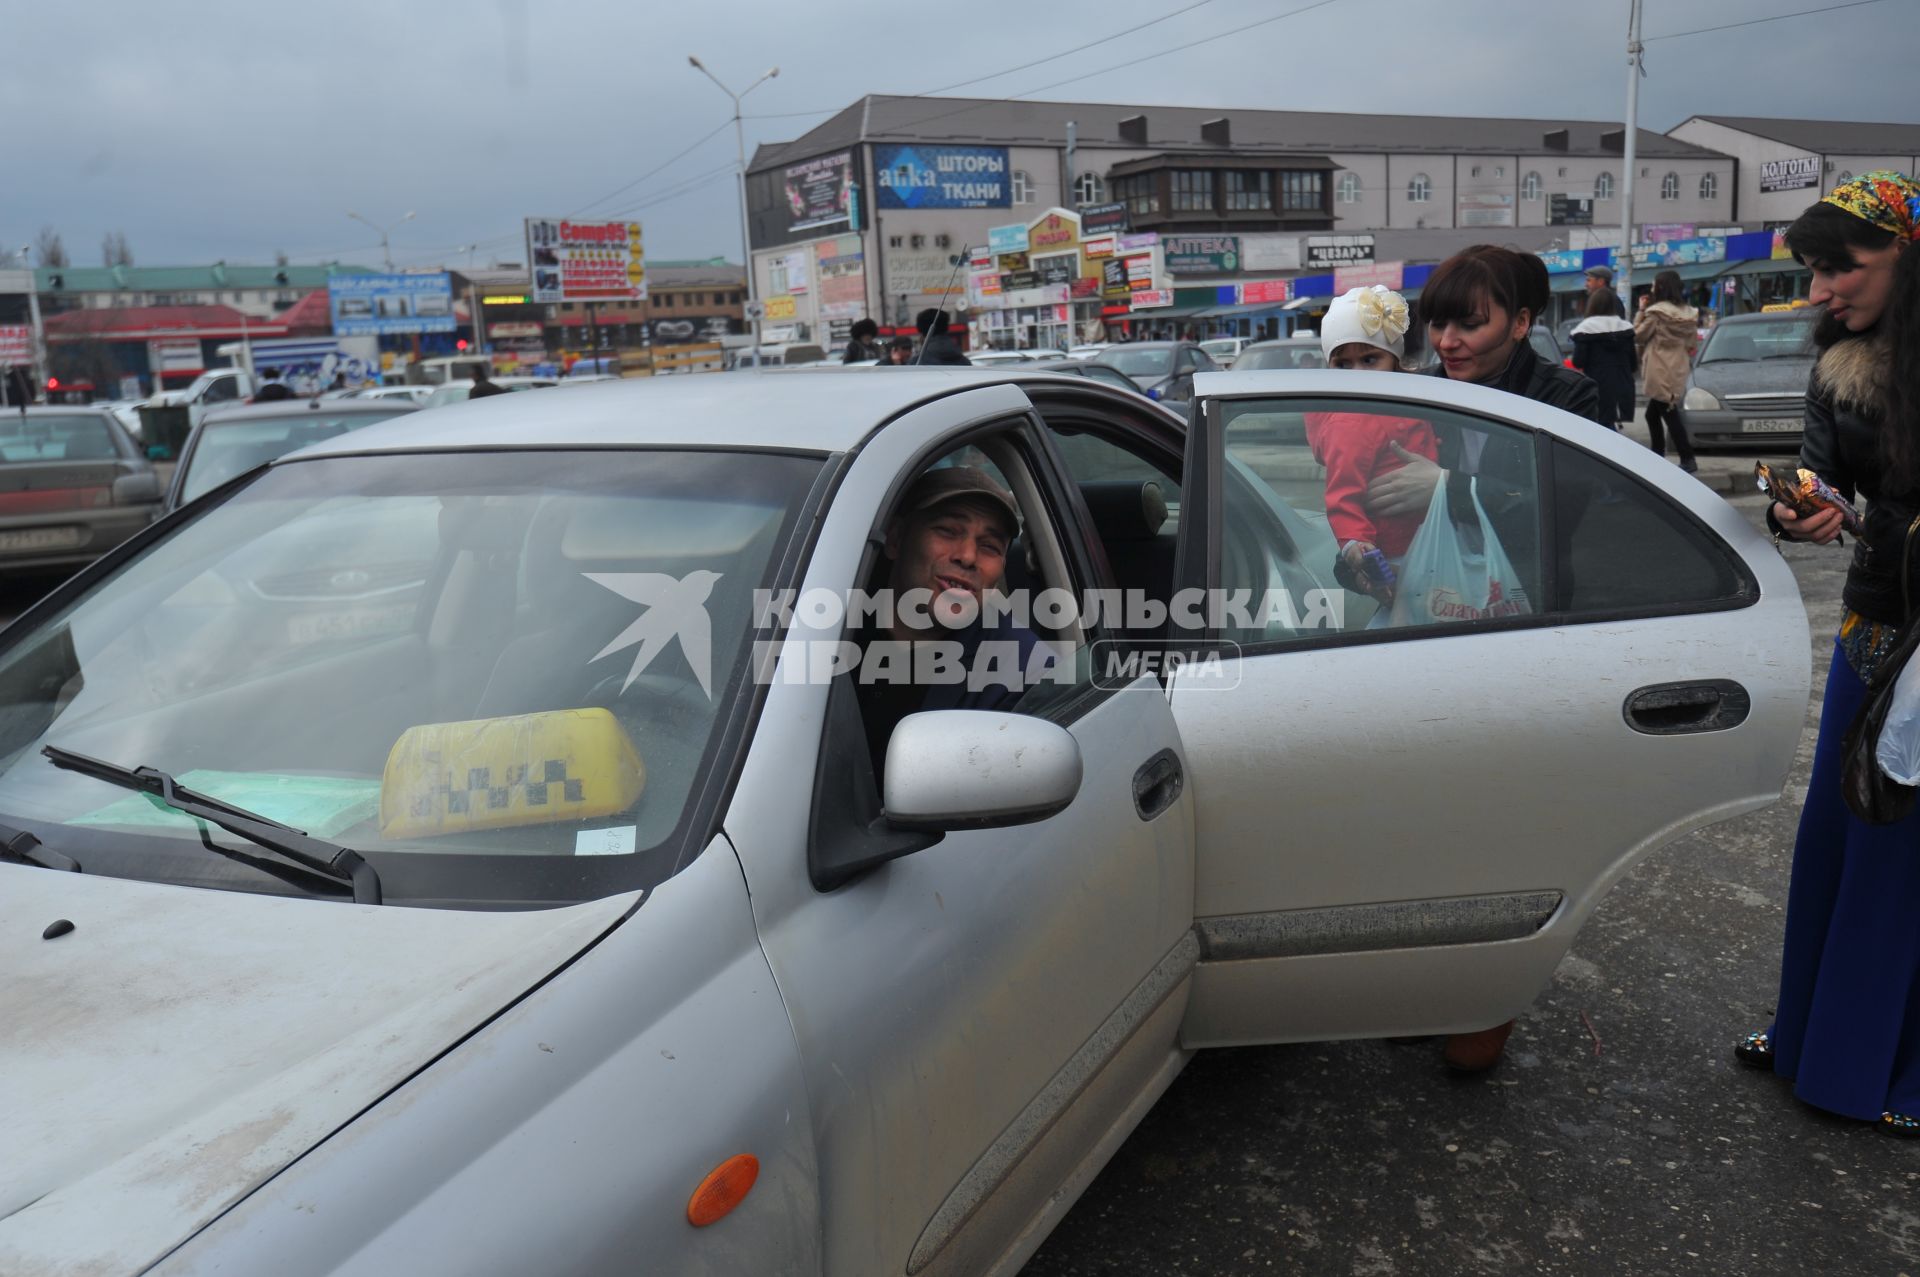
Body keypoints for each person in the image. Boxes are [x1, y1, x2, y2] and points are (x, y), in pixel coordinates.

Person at [1363, 244, 1601, 1074]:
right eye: (1439, 320)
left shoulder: (1567, 395)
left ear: (1523, 322)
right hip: (1424, 635)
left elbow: (1566, 503)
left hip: (1523, 642)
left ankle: (1486, 998)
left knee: (1501, 828)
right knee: (1423, 823)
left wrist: (1451, 490)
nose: (1450, 338)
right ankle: (1426, 983)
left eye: (1472, 320)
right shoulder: (1416, 395)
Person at [1738, 171, 1920, 1139]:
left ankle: (1887, 1068)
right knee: (1836, 837)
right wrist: (1795, 505)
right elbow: (1819, 474)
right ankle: (1806, 1032)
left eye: (1840, 267)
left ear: (1908, 255)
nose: (1820, 291)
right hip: (1871, 623)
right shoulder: (1838, 363)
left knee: (1902, 853)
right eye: (1813, 270)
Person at [854, 466, 1051, 763]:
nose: (968, 556)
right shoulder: (822, 633)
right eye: (947, 531)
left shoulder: (1025, 674)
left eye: (989, 546)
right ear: (896, 539)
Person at [1302, 286, 1437, 606]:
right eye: (1344, 365)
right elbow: (1342, 496)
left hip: (1425, 542)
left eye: (1369, 359)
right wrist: (1356, 545)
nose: (1357, 374)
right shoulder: (1352, 422)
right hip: (1395, 551)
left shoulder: (1412, 399)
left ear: (1394, 360)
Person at [1635, 271, 1701, 473]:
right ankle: (1660, 455)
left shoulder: (1656, 313)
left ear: (1661, 287)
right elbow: (1691, 344)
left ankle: (1686, 458)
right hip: (1678, 366)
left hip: (1659, 366)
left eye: (1654, 285)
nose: (1652, 289)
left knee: (1668, 413)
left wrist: (1641, 310)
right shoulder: (1689, 314)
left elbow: (1637, 335)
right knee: (1654, 414)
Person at [1569, 285, 1637, 430]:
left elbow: (1578, 361)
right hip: (1620, 388)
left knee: (1596, 430)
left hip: (1596, 388)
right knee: (1609, 428)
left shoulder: (1586, 330)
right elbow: (1633, 364)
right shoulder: (1625, 329)